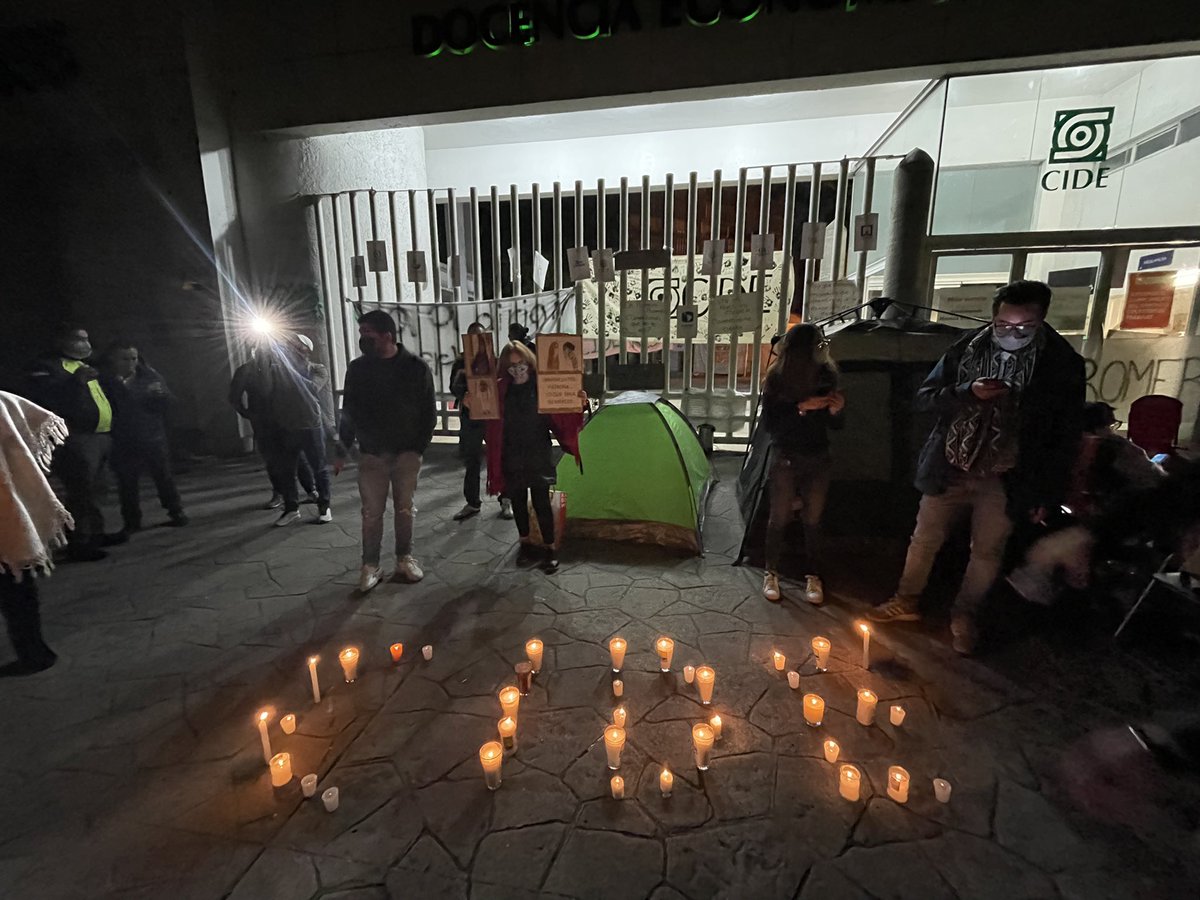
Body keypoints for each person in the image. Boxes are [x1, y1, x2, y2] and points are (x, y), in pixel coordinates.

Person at [868, 281, 1086, 654]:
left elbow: (1064, 434)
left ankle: (964, 615)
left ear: (1042, 319)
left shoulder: (1061, 364)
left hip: (1006, 475)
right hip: (951, 465)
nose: (1012, 334)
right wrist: (967, 391)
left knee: (986, 551)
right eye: (1003, 325)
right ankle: (906, 600)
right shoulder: (967, 348)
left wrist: (1046, 492)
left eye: (1024, 327)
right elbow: (924, 398)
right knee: (924, 539)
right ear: (993, 316)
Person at [1007, 402, 1164, 604]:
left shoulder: (1075, 451)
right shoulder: (1112, 450)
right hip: (1105, 521)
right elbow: (1155, 479)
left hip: (1112, 520)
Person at [335, 311, 436, 593]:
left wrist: (417, 447)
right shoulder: (358, 369)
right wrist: (342, 449)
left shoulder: (415, 367)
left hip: (406, 452)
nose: (363, 338)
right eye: (362, 332)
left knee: (405, 509)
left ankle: (404, 558)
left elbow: (428, 411)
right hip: (371, 453)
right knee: (371, 513)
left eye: (368, 332)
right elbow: (350, 411)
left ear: (387, 335)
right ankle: (370, 565)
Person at [474, 342, 583, 574]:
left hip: (537, 452)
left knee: (542, 501)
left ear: (529, 362)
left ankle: (550, 549)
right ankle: (525, 544)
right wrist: (469, 404)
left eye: (521, 363)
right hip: (510, 453)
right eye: (512, 365)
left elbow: (562, 418)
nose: (517, 368)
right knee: (518, 501)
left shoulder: (544, 387)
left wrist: (577, 403)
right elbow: (484, 418)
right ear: (504, 366)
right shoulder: (499, 389)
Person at [758, 324, 845, 604]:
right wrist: (801, 408)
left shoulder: (827, 375)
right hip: (786, 455)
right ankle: (771, 572)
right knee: (779, 516)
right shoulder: (777, 379)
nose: (821, 350)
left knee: (813, 519)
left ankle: (813, 575)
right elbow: (771, 425)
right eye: (816, 345)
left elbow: (836, 426)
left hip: (818, 455)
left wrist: (834, 410)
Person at [25, 324, 125, 561]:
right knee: (80, 491)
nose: (83, 343)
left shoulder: (85, 365)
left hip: (100, 435)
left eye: (86, 338)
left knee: (97, 489)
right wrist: (74, 382)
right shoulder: (45, 367)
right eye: (77, 338)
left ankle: (96, 534)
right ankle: (78, 541)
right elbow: (44, 398)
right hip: (75, 436)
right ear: (61, 340)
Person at [0, 391, 70, 675]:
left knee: (15, 584)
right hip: (7, 506)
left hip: (5, 507)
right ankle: (34, 652)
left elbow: (31, 422)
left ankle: (34, 653)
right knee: (16, 585)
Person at [103, 342, 187, 531]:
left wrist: (161, 396)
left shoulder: (149, 377)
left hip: (152, 437)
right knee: (127, 482)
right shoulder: (105, 381)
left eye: (133, 358)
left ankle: (176, 511)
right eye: (125, 359)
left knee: (163, 477)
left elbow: (170, 403)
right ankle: (132, 521)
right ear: (113, 360)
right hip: (122, 439)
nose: (130, 363)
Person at [229, 346, 318, 510]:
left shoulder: (281, 369)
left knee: (297, 456)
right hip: (263, 422)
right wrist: (249, 414)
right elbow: (234, 397)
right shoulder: (246, 370)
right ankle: (280, 492)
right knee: (273, 460)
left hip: (286, 420)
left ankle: (310, 489)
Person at [262, 334, 333, 526]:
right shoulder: (279, 370)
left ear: (306, 350)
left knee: (318, 469)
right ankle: (291, 509)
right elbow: (269, 392)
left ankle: (324, 507)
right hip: (286, 427)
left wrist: (290, 370)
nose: (291, 348)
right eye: (289, 345)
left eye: (296, 346)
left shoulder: (317, 369)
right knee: (287, 470)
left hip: (311, 425)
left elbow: (311, 388)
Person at [450, 323, 511, 521]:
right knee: (471, 461)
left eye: (481, 337)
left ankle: (506, 500)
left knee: (500, 457)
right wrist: (463, 394)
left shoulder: (495, 361)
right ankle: (472, 503)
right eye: (473, 338)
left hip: (492, 418)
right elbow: (454, 386)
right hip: (471, 419)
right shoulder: (460, 362)